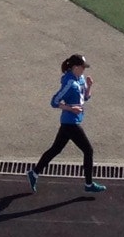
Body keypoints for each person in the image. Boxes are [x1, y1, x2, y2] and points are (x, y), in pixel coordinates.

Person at [29, 55, 105, 193]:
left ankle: (34, 173)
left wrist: (89, 86)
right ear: (75, 67)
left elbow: (85, 98)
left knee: (55, 149)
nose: (84, 70)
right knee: (88, 150)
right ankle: (88, 184)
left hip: (71, 122)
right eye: (82, 67)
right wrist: (70, 109)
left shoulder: (81, 79)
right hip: (70, 123)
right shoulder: (69, 82)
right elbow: (54, 101)